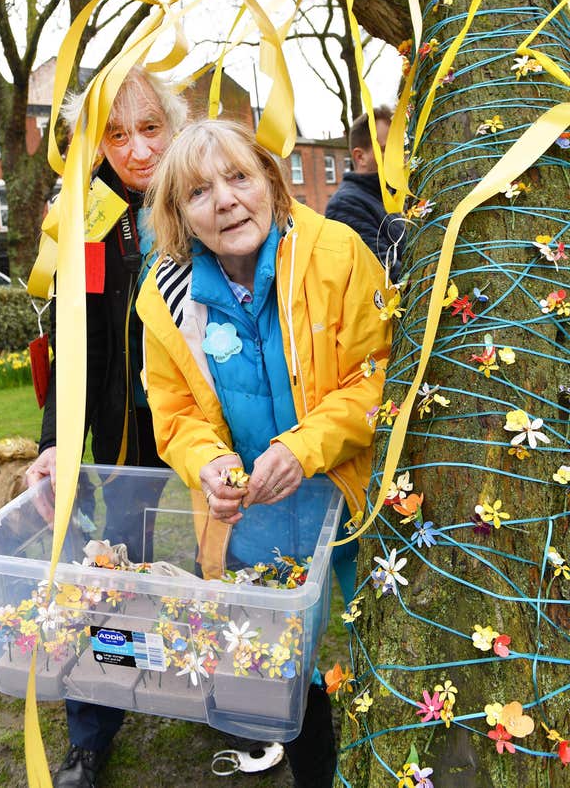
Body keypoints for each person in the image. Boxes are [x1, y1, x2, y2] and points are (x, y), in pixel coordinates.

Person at [137, 120, 391, 788]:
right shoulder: (167, 300)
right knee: (280, 663)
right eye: (197, 192)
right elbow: (175, 412)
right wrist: (208, 463)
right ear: (178, 216)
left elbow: (378, 376)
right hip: (251, 520)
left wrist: (305, 448)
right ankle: (313, 771)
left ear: (273, 185)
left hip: (356, 505)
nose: (223, 200)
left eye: (239, 177)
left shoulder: (335, 252)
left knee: (379, 647)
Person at [25, 65, 188, 788]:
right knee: (110, 569)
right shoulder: (90, 216)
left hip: (228, 425)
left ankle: (256, 700)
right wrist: (56, 440)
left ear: (176, 126)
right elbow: (78, 340)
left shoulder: (213, 187)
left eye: (151, 128)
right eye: (116, 134)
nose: (137, 150)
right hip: (130, 427)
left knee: (245, 560)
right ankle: (96, 724)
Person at [325, 105, 406, 282]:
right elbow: (386, 274)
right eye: (385, 149)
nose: (397, 154)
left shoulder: (388, 196)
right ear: (360, 157)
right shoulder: (346, 206)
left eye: (397, 146)